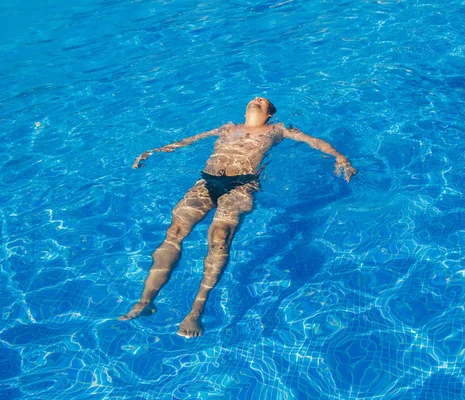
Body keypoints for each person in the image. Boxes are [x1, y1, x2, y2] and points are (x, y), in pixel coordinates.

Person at [119, 97, 357, 338]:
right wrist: (153, 151)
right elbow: (187, 141)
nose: (259, 99)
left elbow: (314, 141)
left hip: (242, 186)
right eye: (255, 98)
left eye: (264, 101)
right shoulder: (227, 128)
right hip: (206, 181)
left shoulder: (278, 129)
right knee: (175, 233)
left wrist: (340, 158)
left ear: (270, 114)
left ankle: (195, 311)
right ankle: (145, 300)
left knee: (219, 238)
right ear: (246, 109)